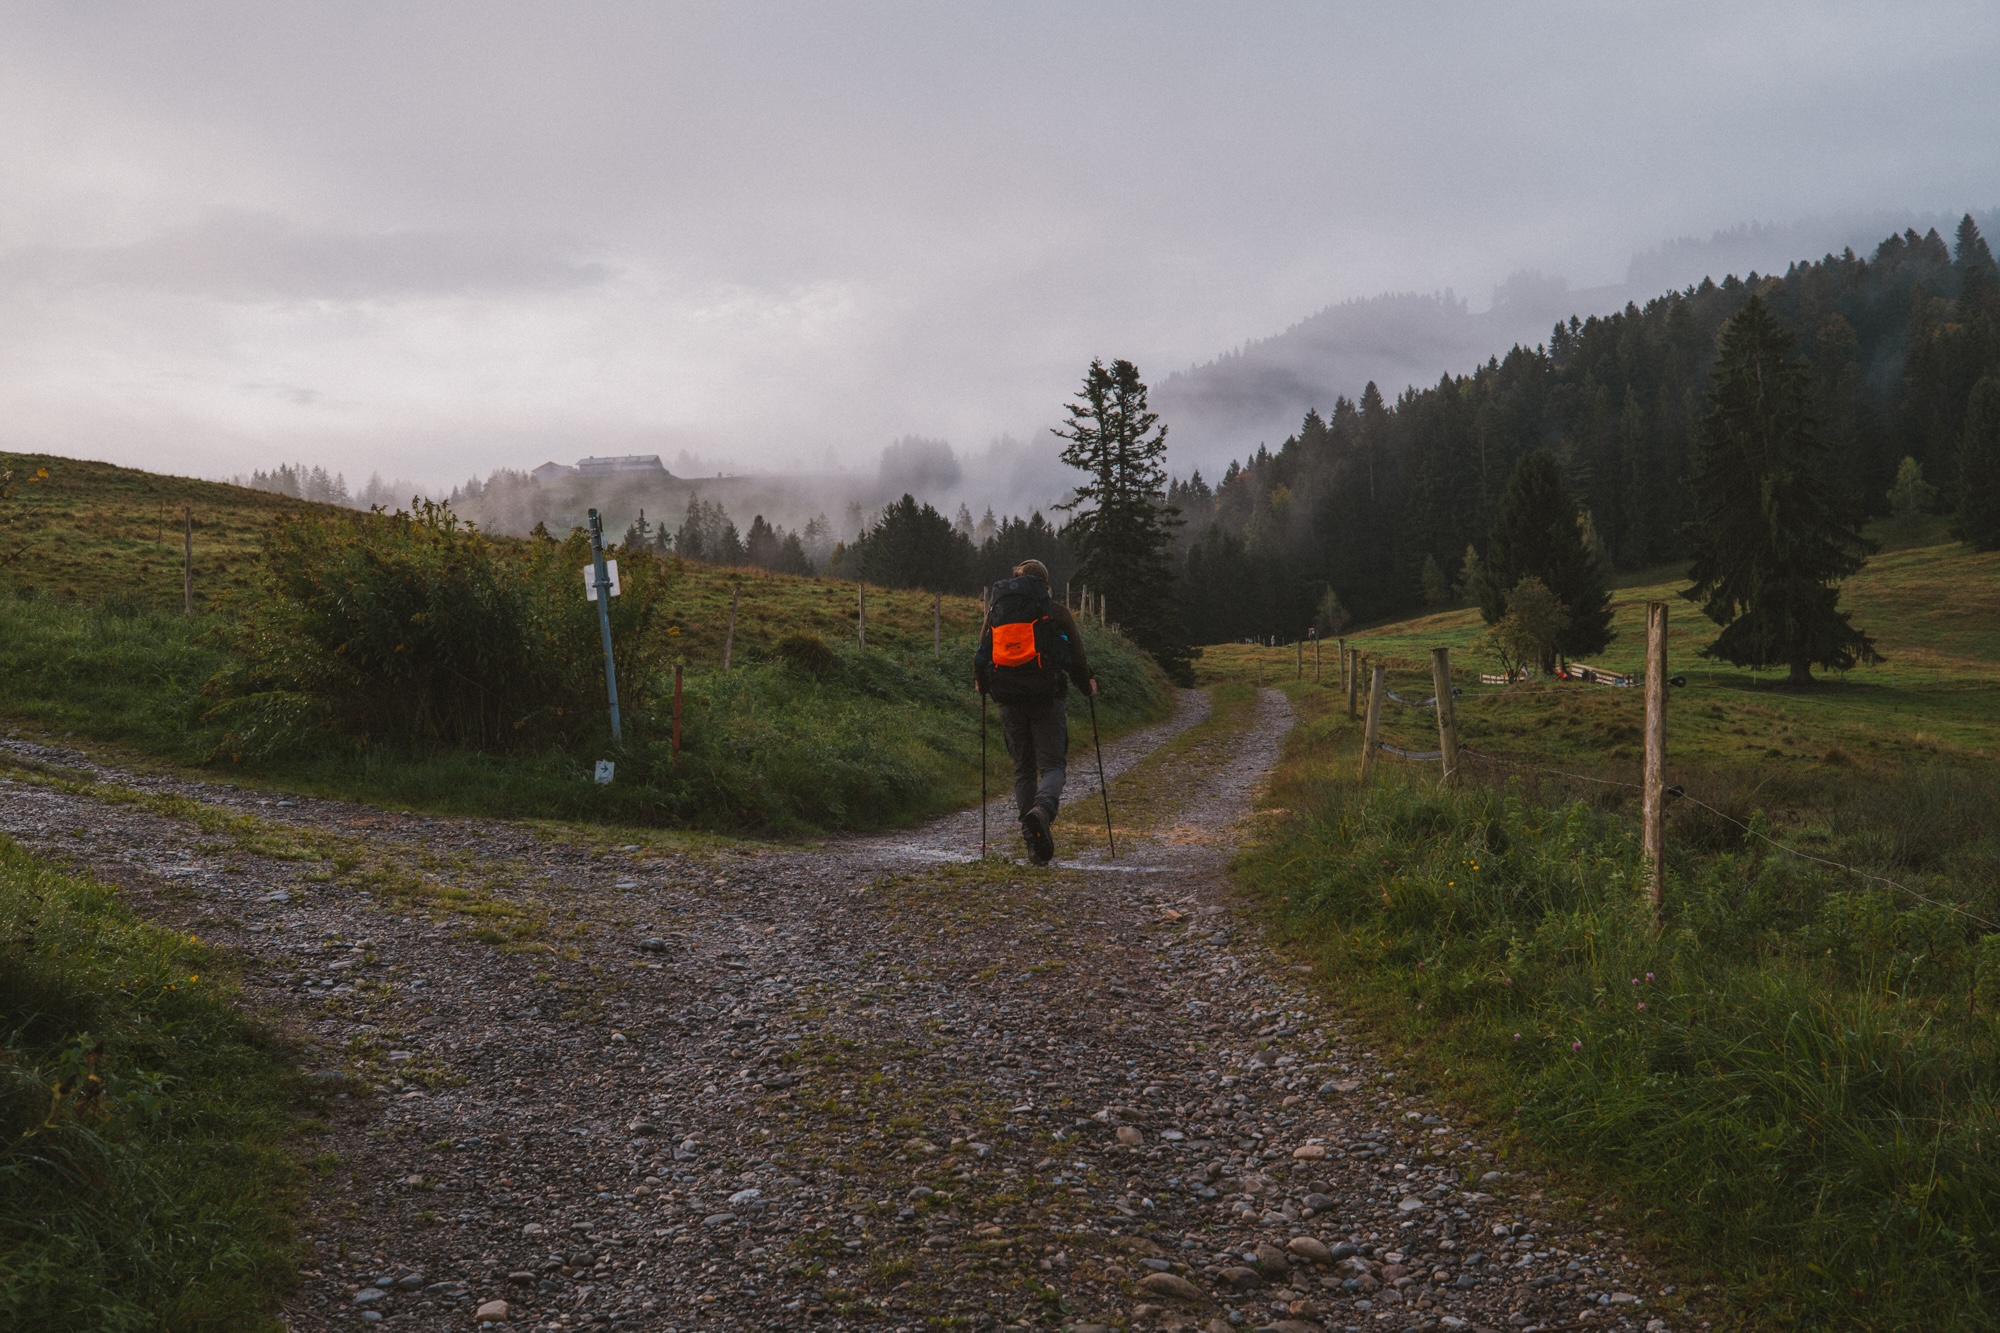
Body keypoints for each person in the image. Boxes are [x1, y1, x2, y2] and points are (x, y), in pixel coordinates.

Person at [973, 559, 1097, 864]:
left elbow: (982, 652)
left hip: (1007, 698)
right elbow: (1077, 657)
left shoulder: (997, 611)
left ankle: (1033, 843)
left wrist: (981, 682)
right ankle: (1041, 811)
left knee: (1023, 769)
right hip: (1047, 696)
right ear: (1046, 584)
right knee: (1053, 765)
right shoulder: (1055, 611)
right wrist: (1087, 685)